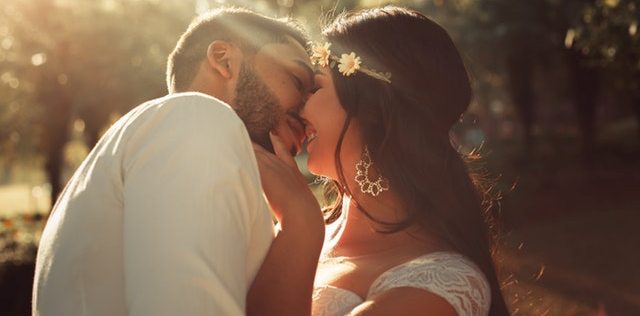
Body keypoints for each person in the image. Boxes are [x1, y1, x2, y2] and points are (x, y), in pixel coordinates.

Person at [32, 7, 322, 315]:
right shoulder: (196, 117)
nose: (308, 112)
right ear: (224, 60)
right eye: (297, 80)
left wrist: (299, 225)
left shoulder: (172, 139)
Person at [249, 6, 511, 316]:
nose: (298, 108)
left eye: (315, 88)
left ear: (372, 108)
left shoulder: (443, 280)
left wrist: (299, 223)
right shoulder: (284, 227)